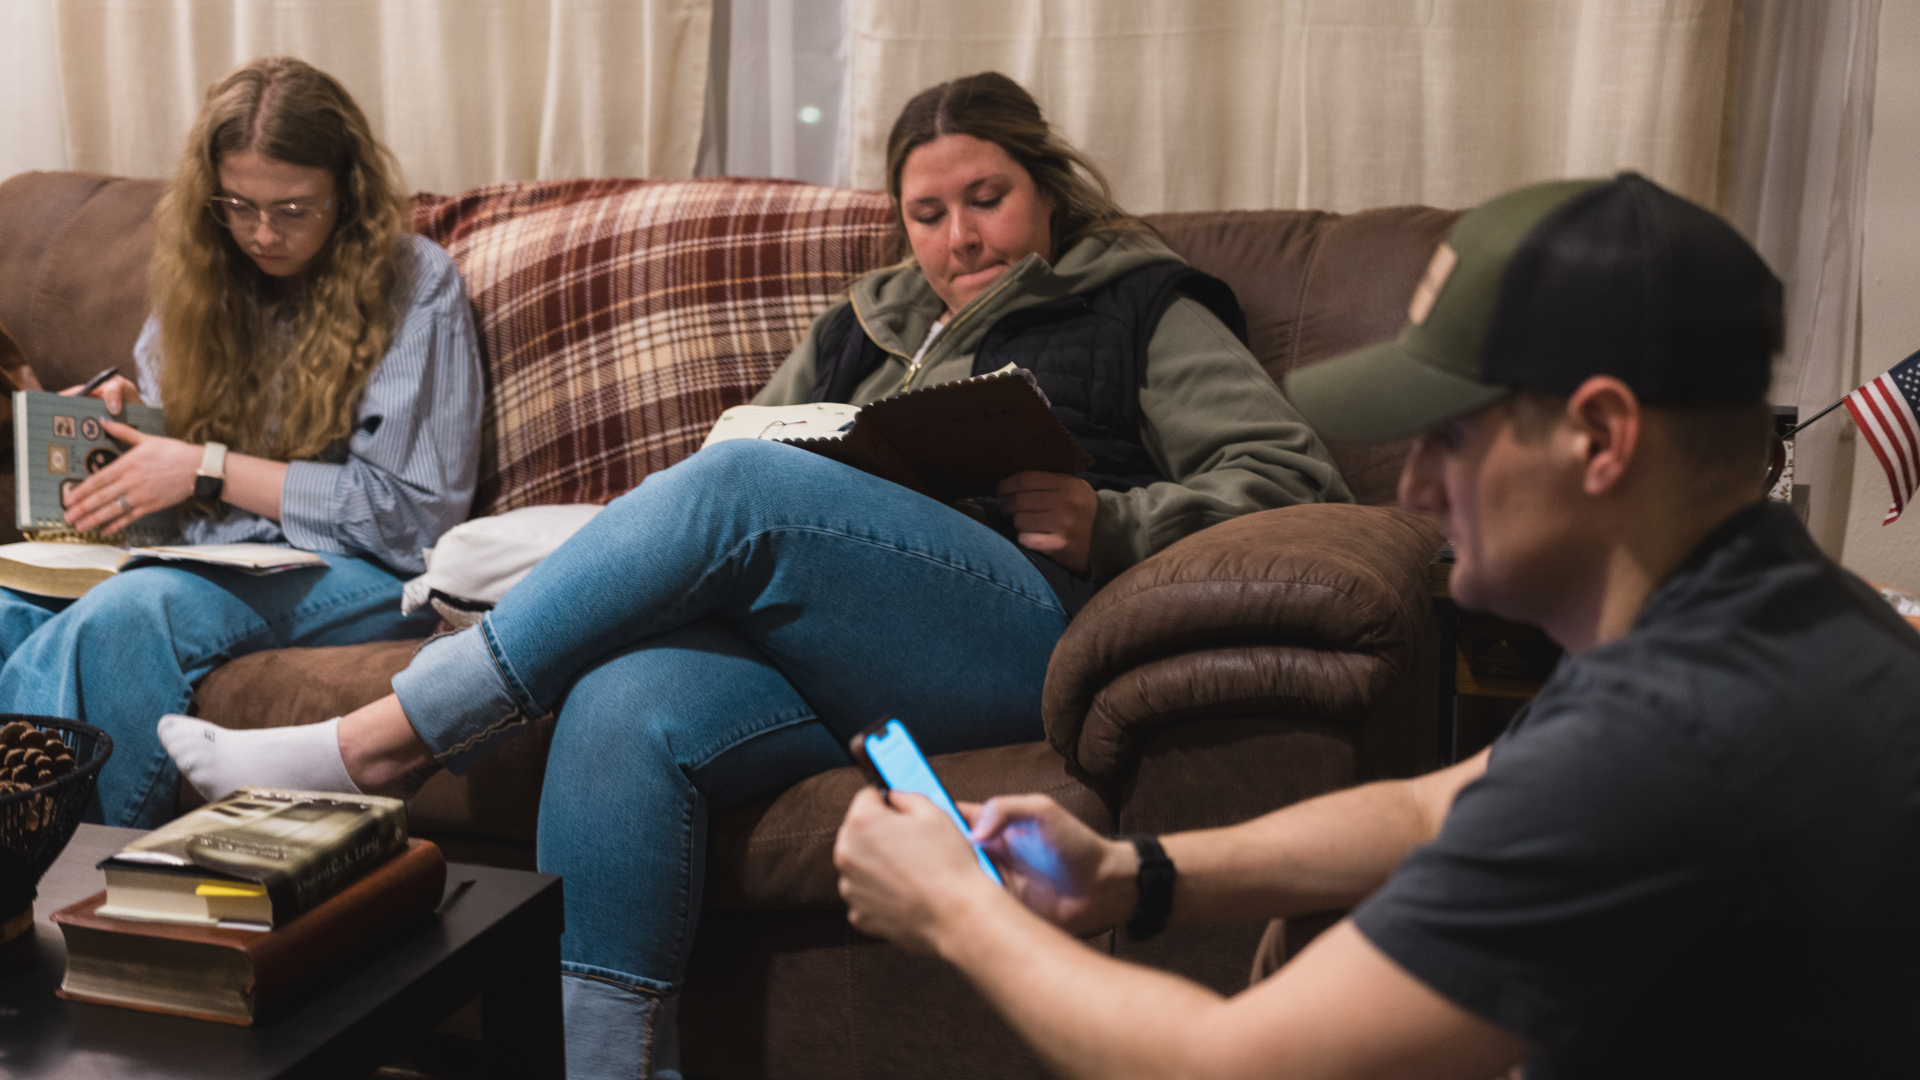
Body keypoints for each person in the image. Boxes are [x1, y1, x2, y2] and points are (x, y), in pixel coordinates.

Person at [160, 72, 1350, 1078]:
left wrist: (1115, 520)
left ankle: (383, 740)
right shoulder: (865, 322)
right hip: (831, 649)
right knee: (625, 703)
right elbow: (746, 447)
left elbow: (1295, 474)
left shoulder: (1135, 303)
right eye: (928, 213)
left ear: (1049, 190)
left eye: (987, 200)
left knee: (740, 491)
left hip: (1019, 627)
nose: (960, 239)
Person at [833, 173, 1920, 1078]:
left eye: (1450, 435)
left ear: (1599, 438)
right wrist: (1130, 874)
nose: (1416, 486)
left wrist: (958, 913)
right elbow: (1430, 808)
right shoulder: (1773, 610)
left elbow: (1228, 1065)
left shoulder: (1664, 742)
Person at [0, 57, 482, 829]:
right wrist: (132, 430)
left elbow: (410, 519)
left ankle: (68, 870)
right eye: (239, 205)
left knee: (131, 614)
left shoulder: (414, 283)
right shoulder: (203, 277)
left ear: (348, 192)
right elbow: (180, 464)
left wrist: (207, 467)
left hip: (359, 567)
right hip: (211, 553)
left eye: (294, 209)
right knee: (7, 609)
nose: (262, 233)